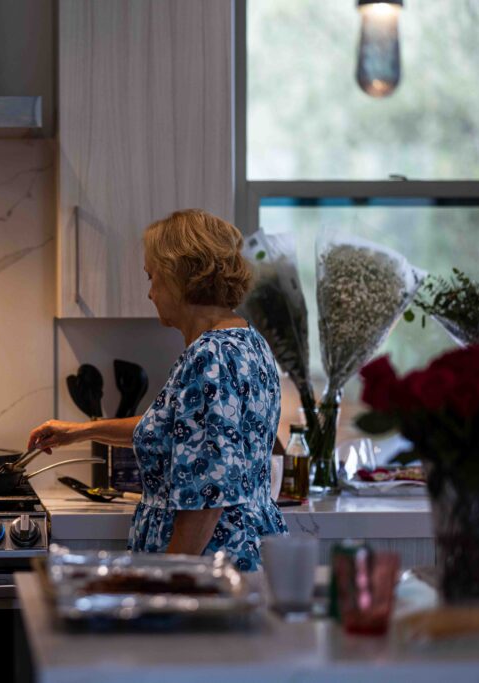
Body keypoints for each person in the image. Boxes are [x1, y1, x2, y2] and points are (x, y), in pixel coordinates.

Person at [28, 209, 286, 571]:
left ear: (180, 274)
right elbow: (180, 430)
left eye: (152, 277)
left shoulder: (209, 357)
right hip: (243, 552)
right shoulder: (247, 342)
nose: (150, 292)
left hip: (208, 566)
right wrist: (80, 431)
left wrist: (167, 580)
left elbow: (207, 499)